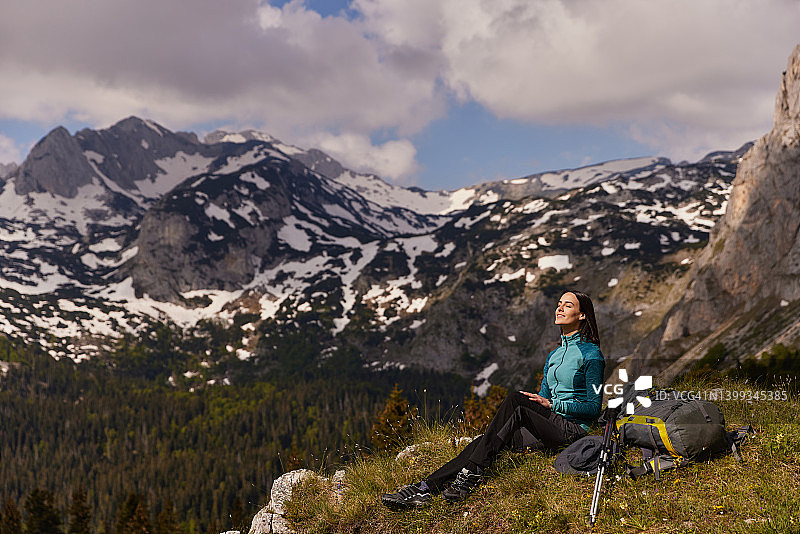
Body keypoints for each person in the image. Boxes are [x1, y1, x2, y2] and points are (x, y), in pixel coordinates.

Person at [380, 290, 605, 509]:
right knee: (485, 440)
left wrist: (553, 405)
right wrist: (542, 403)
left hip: (572, 431)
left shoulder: (591, 354)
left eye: (568, 305)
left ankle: (473, 474)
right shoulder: (554, 355)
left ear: (582, 315)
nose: (559, 308)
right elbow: (541, 398)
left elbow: (594, 408)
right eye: (559, 303)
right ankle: (425, 487)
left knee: (516, 400)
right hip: (548, 427)